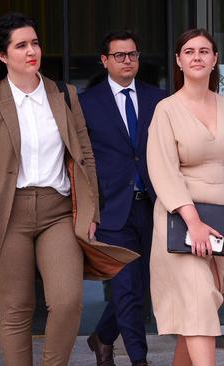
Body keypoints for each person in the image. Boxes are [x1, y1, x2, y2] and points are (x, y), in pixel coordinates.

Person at [0, 13, 136, 366]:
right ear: (4, 56)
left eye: (34, 43)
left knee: (68, 301)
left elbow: (86, 157)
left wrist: (91, 211)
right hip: (8, 213)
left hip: (58, 212)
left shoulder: (63, 95)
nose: (31, 50)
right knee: (16, 309)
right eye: (21, 45)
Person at [146, 28, 224, 366]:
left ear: (214, 60)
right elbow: (164, 171)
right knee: (199, 304)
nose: (197, 57)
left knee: (196, 312)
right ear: (179, 61)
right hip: (182, 223)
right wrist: (193, 223)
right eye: (189, 51)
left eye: (204, 51)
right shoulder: (166, 110)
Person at [78, 30, 166, 366]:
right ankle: (139, 360)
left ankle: (102, 336)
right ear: (105, 60)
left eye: (132, 54)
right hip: (111, 209)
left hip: (153, 206)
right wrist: (88, 210)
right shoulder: (86, 103)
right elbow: (81, 162)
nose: (127, 60)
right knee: (125, 286)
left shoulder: (159, 99)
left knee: (140, 287)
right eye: (119, 55)